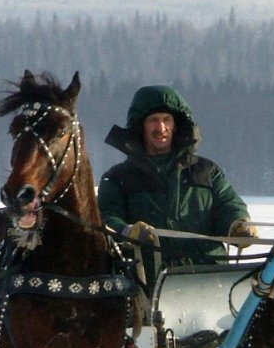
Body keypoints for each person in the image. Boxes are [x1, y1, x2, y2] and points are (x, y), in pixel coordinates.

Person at [98, 84, 257, 289]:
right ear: (140, 126)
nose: (161, 128)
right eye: (153, 120)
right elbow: (105, 220)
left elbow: (227, 205)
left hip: (209, 281)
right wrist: (127, 231)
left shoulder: (207, 171)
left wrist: (238, 226)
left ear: (176, 125)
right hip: (145, 285)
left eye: (167, 119)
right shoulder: (117, 177)